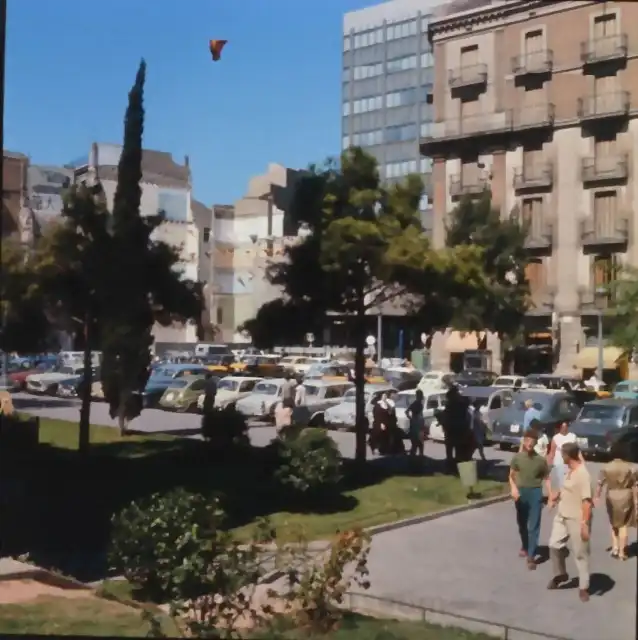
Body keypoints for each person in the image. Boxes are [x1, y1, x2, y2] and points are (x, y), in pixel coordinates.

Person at [547, 442, 593, 602]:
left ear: (568, 456)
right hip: (562, 515)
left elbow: (587, 502)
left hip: (577, 518)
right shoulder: (570, 471)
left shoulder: (583, 474)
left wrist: (584, 524)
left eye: (562, 454)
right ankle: (561, 574)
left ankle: (583, 587)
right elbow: (566, 488)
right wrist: (555, 496)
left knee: (581, 553)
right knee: (554, 545)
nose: (561, 457)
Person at [509, 428, 551, 570]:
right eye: (527, 440)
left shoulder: (540, 460)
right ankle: (525, 545)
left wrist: (551, 495)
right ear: (523, 441)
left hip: (535, 492)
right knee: (522, 523)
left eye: (532, 441)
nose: (529, 443)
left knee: (534, 525)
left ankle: (531, 556)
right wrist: (513, 488)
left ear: (535, 443)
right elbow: (511, 475)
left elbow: (546, 478)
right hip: (521, 492)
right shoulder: (518, 458)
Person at [595, 441, 638, 560]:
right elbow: (635, 485)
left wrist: (597, 497)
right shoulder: (631, 468)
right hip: (626, 495)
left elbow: (600, 484)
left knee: (613, 522)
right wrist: (636, 500)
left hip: (611, 494)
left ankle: (614, 547)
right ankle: (622, 552)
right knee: (623, 524)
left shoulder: (606, 467)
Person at [547, 421, 578, 489]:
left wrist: (581, 462)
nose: (564, 428)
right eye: (562, 427)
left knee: (570, 479)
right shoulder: (556, 437)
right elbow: (552, 452)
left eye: (565, 427)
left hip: (570, 462)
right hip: (559, 462)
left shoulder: (572, 436)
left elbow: (577, 451)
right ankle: (562, 494)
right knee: (561, 481)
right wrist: (548, 465)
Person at [406, 389, 426, 457]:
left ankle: (413, 454)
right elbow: (420, 414)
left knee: (415, 440)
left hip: (414, 423)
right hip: (419, 423)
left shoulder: (414, 403)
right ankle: (420, 455)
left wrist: (411, 418)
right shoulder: (419, 404)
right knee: (420, 440)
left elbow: (406, 412)